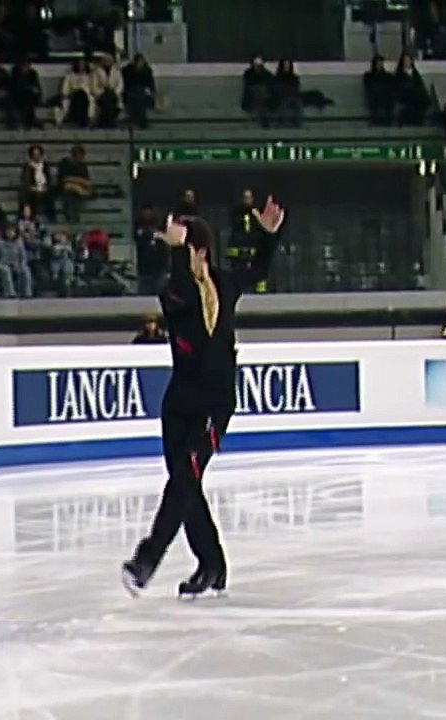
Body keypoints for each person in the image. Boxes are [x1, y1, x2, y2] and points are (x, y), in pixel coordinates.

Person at [121, 197, 286, 598]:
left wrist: (267, 236)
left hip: (215, 403)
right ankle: (212, 564)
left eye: (183, 247)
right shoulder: (172, 292)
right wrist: (176, 252)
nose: (176, 253)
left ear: (200, 251)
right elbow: (186, 297)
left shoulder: (226, 284)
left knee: (183, 478)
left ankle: (147, 559)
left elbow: (259, 270)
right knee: (186, 486)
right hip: (179, 403)